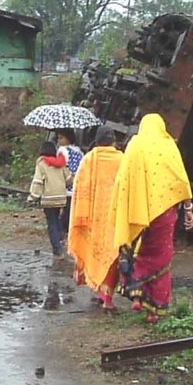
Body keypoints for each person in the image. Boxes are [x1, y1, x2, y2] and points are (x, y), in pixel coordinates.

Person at [110, 113, 193, 323]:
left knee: (139, 253)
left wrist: (122, 207)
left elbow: (123, 179)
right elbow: (181, 179)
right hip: (164, 212)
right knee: (161, 258)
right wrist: (188, 207)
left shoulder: (135, 144)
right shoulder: (169, 146)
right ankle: (154, 311)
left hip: (138, 212)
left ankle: (137, 294)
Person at [67, 126, 123, 309]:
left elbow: (78, 188)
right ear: (113, 140)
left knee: (93, 251)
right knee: (111, 255)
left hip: (91, 217)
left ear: (97, 141)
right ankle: (108, 298)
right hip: (114, 218)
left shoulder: (88, 159)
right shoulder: (122, 159)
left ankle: (98, 290)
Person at [27, 140, 72, 259]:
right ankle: (61, 239)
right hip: (61, 197)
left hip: (48, 198)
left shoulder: (41, 164)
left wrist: (32, 197)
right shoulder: (60, 162)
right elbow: (69, 179)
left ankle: (58, 250)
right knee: (56, 219)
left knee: (51, 222)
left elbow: (37, 182)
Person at [54, 128, 83, 241]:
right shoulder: (78, 151)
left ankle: (61, 231)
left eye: (61, 138)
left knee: (65, 210)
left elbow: (61, 166)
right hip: (78, 182)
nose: (59, 140)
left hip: (67, 182)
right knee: (70, 209)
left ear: (68, 139)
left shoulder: (62, 150)